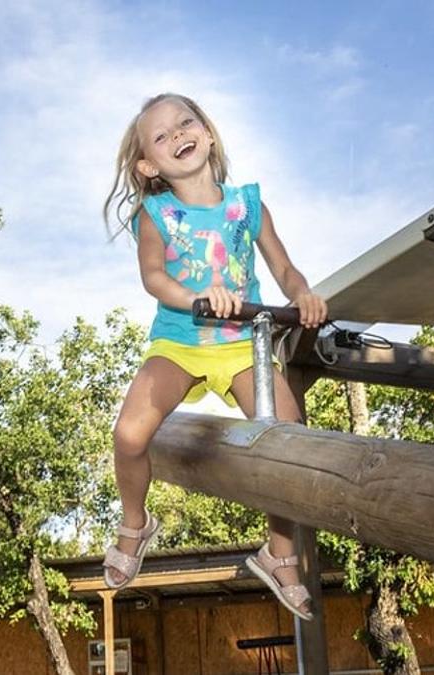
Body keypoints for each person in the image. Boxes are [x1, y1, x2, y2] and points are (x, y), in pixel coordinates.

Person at [102, 93, 328, 620]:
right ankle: (135, 523)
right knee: (129, 434)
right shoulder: (156, 214)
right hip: (181, 340)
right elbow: (153, 277)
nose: (178, 135)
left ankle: (279, 552)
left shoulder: (248, 206)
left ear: (206, 132)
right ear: (148, 165)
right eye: (161, 136)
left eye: (186, 123)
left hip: (243, 344)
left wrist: (303, 294)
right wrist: (197, 298)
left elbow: (284, 269)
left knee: (289, 440)